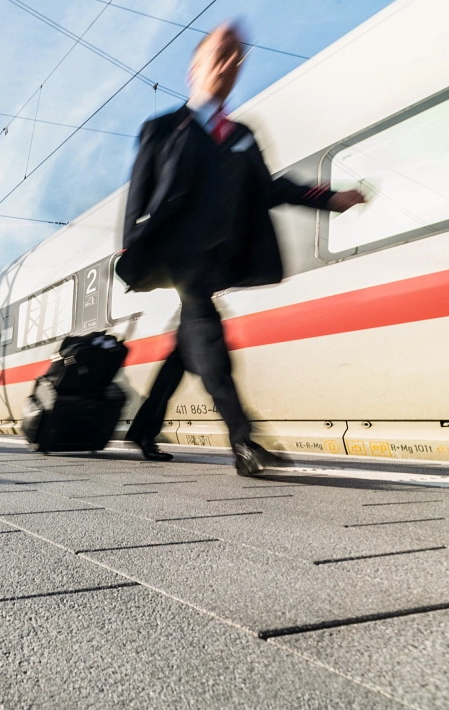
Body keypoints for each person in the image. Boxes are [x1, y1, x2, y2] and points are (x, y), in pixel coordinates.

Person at [119, 22, 366, 475]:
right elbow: (139, 196)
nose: (232, 61)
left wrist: (329, 198)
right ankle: (243, 442)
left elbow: (269, 189)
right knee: (208, 335)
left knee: (187, 346)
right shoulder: (161, 129)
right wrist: (131, 250)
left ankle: (144, 427)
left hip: (221, 258)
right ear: (196, 67)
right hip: (180, 258)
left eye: (238, 54)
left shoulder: (239, 133)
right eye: (223, 51)